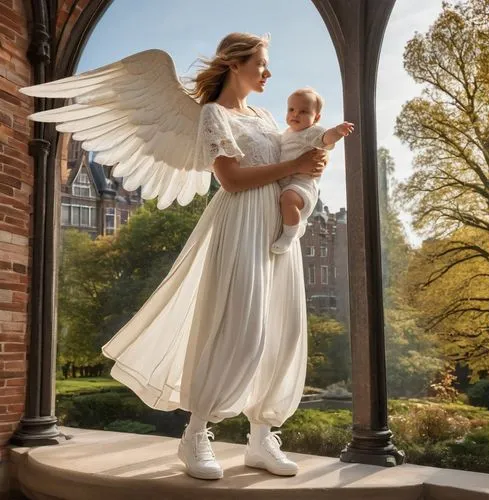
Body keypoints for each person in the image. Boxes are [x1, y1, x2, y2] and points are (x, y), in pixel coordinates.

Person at [100, 32, 328, 480]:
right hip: (241, 220)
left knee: (282, 329)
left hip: (278, 228)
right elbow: (232, 179)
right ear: (234, 64)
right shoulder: (212, 115)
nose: (268, 72)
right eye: (262, 63)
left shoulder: (265, 117)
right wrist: (295, 168)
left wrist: (312, 165)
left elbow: (297, 159)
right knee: (239, 328)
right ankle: (195, 434)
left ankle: (261, 438)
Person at [271, 87, 354, 254]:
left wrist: (337, 131)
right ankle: (297, 224)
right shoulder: (285, 134)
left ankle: (289, 236)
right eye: (291, 109)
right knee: (284, 200)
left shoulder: (312, 131)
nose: (295, 114)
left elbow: (326, 138)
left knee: (288, 199)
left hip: (303, 185)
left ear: (316, 118)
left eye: (303, 111)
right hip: (287, 181)